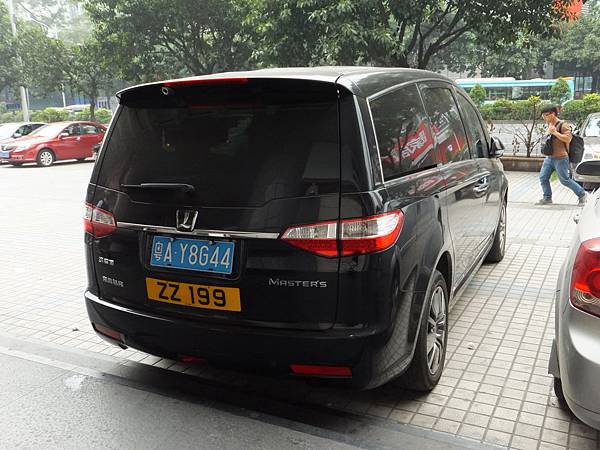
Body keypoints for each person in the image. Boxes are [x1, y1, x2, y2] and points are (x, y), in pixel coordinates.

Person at [537, 105, 587, 205]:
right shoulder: (549, 124)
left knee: (565, 180)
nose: (544, 118)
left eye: (546, 115)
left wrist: (555, 132)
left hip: (561, 158)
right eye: (543, 116)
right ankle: (547, 198)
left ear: (553, 114)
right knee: (543, 177)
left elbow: (568, 139)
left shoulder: (563, 125)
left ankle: (582, 194)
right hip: (549, 158)